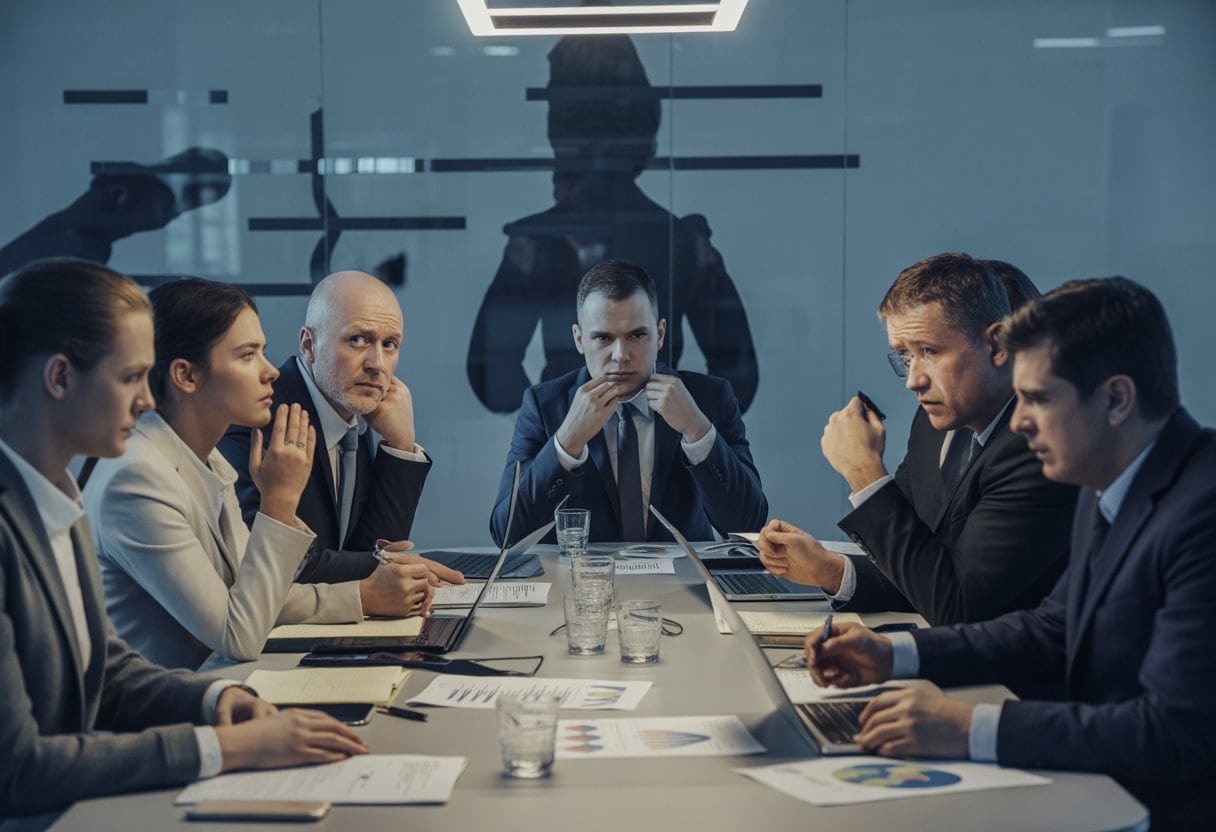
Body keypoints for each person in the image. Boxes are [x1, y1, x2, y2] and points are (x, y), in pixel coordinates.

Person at [806, 277, 1216, 831]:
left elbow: (1173, 734)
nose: (1019, 423)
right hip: (1092, 785)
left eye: (1039, 398)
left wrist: (970, 728)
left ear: (1117, 399)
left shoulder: (1202, 509)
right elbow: (1052, 629)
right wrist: (894, 654)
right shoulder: (1111, 481)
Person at [0, 258, 366, 831]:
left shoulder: (58, 496)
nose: (146, 401)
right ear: (60, 378)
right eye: (128, 378)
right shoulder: (103, 486)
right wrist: (225, 748)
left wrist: (211, 703)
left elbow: (105, 668)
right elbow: (18, 770)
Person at [84, 279, 433, 669]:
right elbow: (238, 633)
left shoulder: (208, 460)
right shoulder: (136, 480)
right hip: (168, 707)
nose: (270, 371)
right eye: (248, 355)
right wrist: (279, 501)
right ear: (186, 375)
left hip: (214, 686)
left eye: (262, 352)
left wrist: (362, 597)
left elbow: (255, 593)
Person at [757, 252, 1077, 624]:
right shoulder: (932, 425)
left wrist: (865, 473)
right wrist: (829, 570)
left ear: (998, 345)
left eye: (929, 352)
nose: (913, 381)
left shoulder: (1038, 449)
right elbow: (918, 568)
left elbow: (956, 605)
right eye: (905, 357)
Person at [466, 34, 759, 415]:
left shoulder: (536, 243)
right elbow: (494, 379)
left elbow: (495, 381)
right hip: (590, 446)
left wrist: (554, 420)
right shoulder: (680, 240)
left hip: (600, 444)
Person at [490, 259, 766, 545]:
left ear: (659, 335)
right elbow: (507, 535)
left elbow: (748, 524)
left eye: (636, 335)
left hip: (684, 584)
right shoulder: (544, 405)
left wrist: (697, 431)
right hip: (579, 585)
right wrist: (567, 442)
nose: (620, 355)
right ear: (579, 339)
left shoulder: (710, 398)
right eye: (603, 338)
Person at [219, 270, 461, 588]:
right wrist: (386, 564)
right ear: (309, 345)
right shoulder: (259, 418)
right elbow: (269, 563)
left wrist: (400, 446)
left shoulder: (353, 415)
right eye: (357, 340)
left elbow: (368, 548)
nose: (377, 364)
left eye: (390, 345)